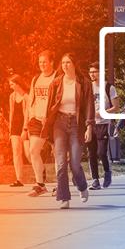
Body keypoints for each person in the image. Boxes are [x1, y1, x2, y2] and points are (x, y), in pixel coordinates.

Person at [41, 53, 95, 209]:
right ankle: (64, 198)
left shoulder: (84, 83)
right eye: (63, 62)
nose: (65, 65)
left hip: (77, 124)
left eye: (68, 62)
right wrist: (47, 126)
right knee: (61, 163)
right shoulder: (56, 83)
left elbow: (89, 106)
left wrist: (89, 126)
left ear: (74, 64)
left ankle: (82, 186)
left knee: (75, 163)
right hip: (59, 123)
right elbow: (49, 107)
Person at [24, 50, 57, 196]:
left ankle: (60, 185)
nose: (42, 65)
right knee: (33, 151)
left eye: (45, 61)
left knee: (58, 153)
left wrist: (50, 116)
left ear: (51, 62)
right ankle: (40, 184)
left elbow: (59, 100)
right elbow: (31, 100)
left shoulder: (57, 78)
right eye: (40, 62)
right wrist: (29, 119)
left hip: (53, 121)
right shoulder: (36, 78)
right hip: (36, 120)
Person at [87, 61, 119, 190]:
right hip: (90, 124)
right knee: (91, 153)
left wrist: (103, 113)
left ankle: (107, 172)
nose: (92, 74)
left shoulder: (108, 87)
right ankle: (95, 180)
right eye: (90, 72)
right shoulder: (88, 87)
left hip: (104, 124)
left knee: (101, 152)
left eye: (94, 72)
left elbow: (116, 107)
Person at [8, 74, 30, 187]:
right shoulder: (12, 96)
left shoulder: (27, 97)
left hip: (25, 128)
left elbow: (27, 114)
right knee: (16, 153)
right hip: (15, 128)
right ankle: (19, 179)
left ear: (17, 84)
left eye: (12, 84)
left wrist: (25, 129)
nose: (10, 86)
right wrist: (10, 129)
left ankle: (41, 170)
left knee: (28, 153)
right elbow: (11, 113)